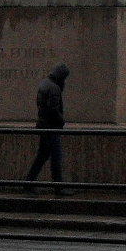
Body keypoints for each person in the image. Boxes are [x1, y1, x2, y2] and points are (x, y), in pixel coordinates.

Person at [23, 63, 74, 195]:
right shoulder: (55, 88)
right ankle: (58, 187)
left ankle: (29, 182)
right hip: (51, 127)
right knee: (56, 157)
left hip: (43, 125)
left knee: (42, 156)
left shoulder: (44, 83)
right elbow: (53, 109)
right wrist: (62, 120)